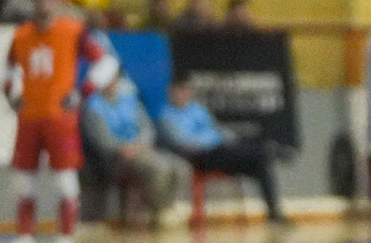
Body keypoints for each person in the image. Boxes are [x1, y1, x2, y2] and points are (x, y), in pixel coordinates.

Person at [4, 0, 118, 243]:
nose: (42, 3)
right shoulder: (20, 35)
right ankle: (25, 237)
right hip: (29, 117)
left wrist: (83, 91)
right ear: (31, 1)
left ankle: (65, 238)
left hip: (60, 119)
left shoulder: (73, 30)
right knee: (23, 181)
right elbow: (9, 69)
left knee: (65, 180)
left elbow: (106, 62)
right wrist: (11, 92)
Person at [155, 78, 289, 225]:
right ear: (171, 93)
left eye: (185, 90)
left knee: (260, 165)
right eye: (177, 91)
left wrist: (227, 137)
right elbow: (182, 142)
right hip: (199, 157)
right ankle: (269, 150)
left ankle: (274, 214)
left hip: (220, 151)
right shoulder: (166, 116)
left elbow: (216, 129)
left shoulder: (198, 110)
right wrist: (208, 141)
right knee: (245, 152)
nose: (181, 94)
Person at [83, 76, 184, 225]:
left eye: (114, 80)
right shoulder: (93, 107)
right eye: (108, 80)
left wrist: (140, 144)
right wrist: (123, 148)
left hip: (141, 150)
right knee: (157, 168)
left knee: (180, 166)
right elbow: (102, 140)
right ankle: (160, 211)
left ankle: (168, 208)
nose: (112, 84)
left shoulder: (130, 102)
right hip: (115, 159)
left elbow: (147, 128)